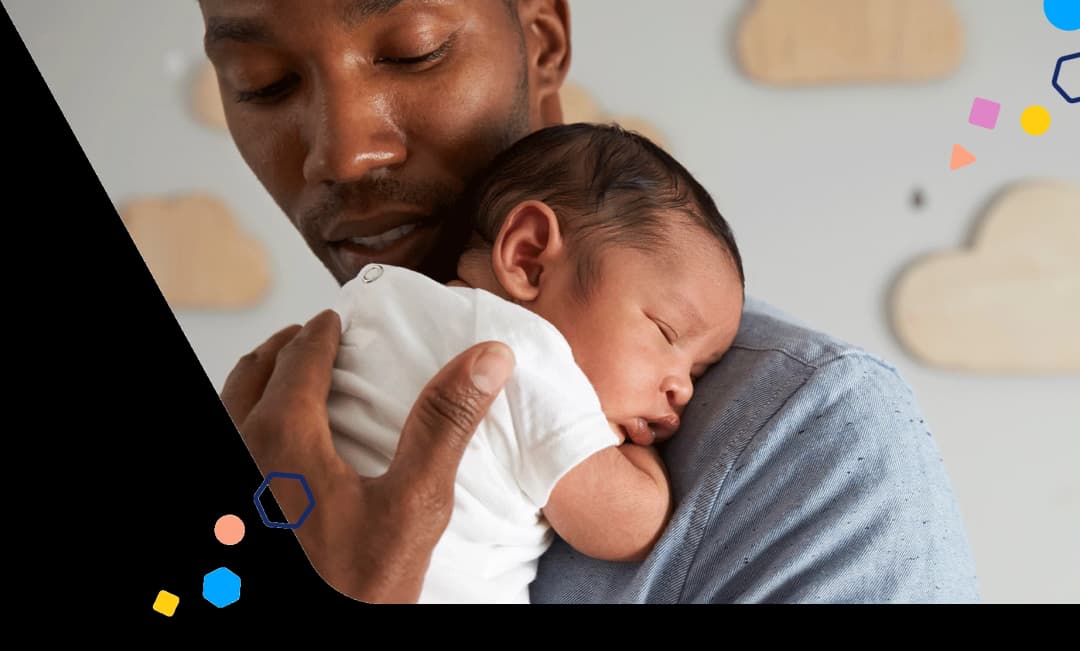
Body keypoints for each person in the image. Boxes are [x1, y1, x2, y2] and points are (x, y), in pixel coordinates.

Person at [206, 0, 981, 603]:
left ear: (541, 41)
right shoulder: (279, 407)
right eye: (262, 82)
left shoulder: (812, 438)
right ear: (527, 253)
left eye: (414, 50)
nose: (341, 153)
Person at [327, 123, 744, 602]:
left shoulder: (375, 297)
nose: (684, 390)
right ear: (529, 259)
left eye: (697, 372)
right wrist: (633, 452)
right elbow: (629, 527)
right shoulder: (527, 354)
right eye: (666, 332)